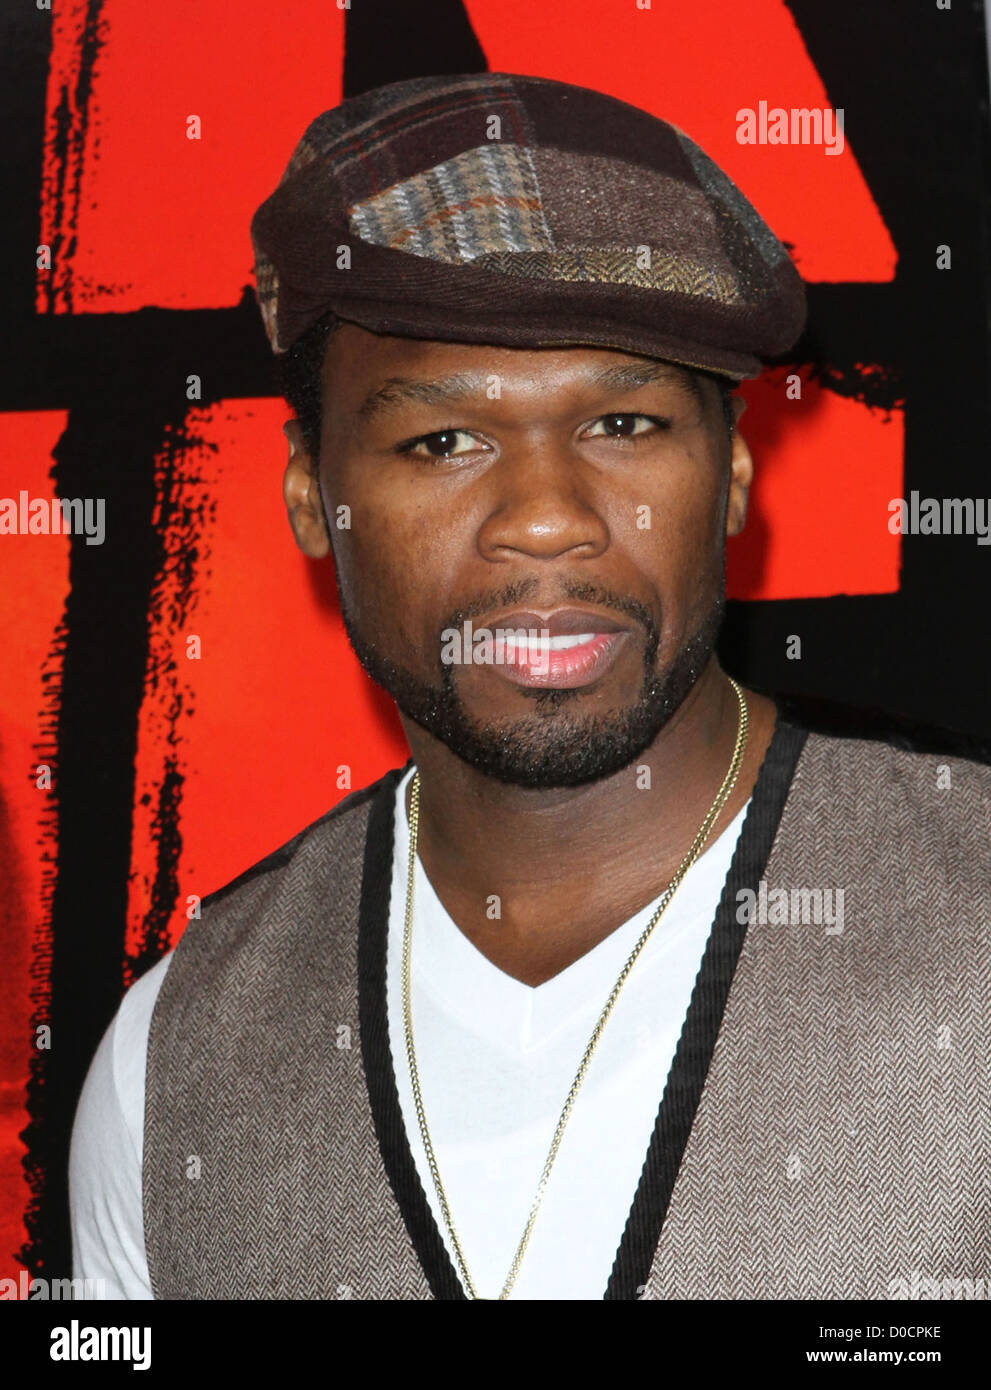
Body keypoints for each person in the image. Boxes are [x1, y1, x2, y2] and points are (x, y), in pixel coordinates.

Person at [70, 71, 991, 1301]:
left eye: (623, 424)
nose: (547, 521)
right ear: (309, 491)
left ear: (730, 473)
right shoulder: (170, 1066)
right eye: (442, 441)